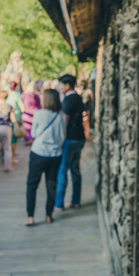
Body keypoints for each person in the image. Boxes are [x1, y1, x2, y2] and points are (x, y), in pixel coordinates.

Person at [25, 89, 67, 226]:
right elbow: (62, 137)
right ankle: (48, 214)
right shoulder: (61, 116)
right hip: (55, 155)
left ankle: (30, 216)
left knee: (32, 184)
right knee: (51, 185)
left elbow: (34, 132)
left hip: (38, 152)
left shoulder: (39, 114)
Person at [54, 74, 86, 211]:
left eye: (61, 84)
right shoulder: (78, 97)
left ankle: (59, 203)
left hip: (69, 138)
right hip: (79, 137)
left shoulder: (69, 99)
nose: (59, 87)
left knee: (62, 169)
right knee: (75, 169)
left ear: (67, 86)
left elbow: (64, 121)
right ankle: (76, 200)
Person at [6, 81, 25, 163]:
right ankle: (12, 157)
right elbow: (22, 108)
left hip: (7, 118)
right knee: (14, 138)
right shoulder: (17, 95)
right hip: (15, 118)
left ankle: (8, 156)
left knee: (8, 138)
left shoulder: (7, 95)